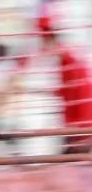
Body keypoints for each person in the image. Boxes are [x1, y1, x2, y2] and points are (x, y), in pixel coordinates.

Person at [38, 18, 92, 154]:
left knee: (70, 161)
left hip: (79, 129)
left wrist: (81, 135)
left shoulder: (70, 61)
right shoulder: (66, 60)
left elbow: (80, 95)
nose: (43, 49)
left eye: (44, 43)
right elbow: (68, 91)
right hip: (76, 127)